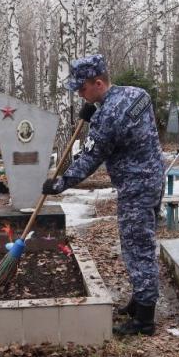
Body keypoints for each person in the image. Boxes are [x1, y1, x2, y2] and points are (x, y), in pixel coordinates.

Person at [42, 54, 164, 336]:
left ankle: (144, 319)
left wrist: (60, 183)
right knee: (143, 240)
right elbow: (127, 125)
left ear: (99, 82)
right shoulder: (137, 94)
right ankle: (140, 299)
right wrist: (96, 110)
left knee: (137, 246)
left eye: (83, 89)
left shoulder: (107, 117)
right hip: (154, 177)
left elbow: (89, 159)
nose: (80, 94)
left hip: (136, 187)